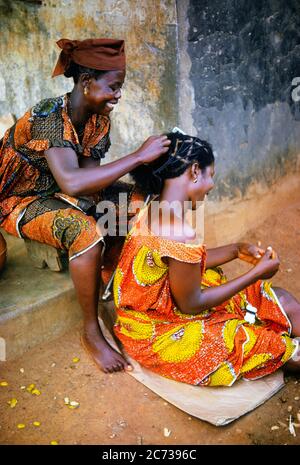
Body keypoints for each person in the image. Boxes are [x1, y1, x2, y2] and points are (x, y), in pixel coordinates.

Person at [0, 38, 171, 373]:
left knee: (140, 204)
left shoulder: (97, 121)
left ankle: (116, 278)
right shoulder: (48, 115)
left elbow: (92, 182)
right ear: (87, 82)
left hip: (64, 192)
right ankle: (91, 331)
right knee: (84, 231)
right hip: (19, 200)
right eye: (114, 87)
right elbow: (73, 182)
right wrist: (137, 155)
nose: (118, 95)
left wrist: (148, 171)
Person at [112, 131, 300, 386]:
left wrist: (235, 249)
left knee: (278, 301)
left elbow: (182, 266)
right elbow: (191, 304)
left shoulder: (154, 206)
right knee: (272, 344)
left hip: (140, 319)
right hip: (157, 334)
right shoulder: (179, 232)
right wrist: (255, 273)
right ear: (194, 171)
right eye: (211, 175)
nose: (211, 185)